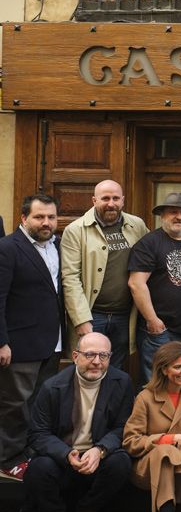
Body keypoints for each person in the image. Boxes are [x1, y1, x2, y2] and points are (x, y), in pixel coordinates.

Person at [19, 333, 134, 512]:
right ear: (75, 356)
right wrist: (66, 453)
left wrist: (100, 450)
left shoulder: (122, 382)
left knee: (121, 462)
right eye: (90, 355)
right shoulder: (52, 387)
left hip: (98, 456)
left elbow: (123, 427)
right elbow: (38, 434)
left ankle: (87, 511)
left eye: (103, 355)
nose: (97, 362)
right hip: (62, 457)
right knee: (37, 468)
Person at [0, 194, 65, 482]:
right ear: (24, 218)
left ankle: (31, 454)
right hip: (19, 344)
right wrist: (1, 341)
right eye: (39, 217)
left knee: (40, 403)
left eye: (51, 217)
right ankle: (8, 460)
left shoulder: (59, 245)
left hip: (52, 342)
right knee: (15, 405)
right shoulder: (7, 248)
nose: (46, 222)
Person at [61, 179, 149, 370]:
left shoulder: (137, 225)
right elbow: (70, 278)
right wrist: (81, 319)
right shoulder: (75, 230)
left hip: (125, 316)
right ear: (94, 200)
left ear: (123, 200)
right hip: (93, 315)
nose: (111, 203)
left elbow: (154, 251)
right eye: (105, 198)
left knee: (116, 371)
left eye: (116, 198)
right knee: (88, 369)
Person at [122, 341, 181, 512]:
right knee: (165, 453)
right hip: (150, 466)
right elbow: (130, 441)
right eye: (178, 367)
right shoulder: (145, 398)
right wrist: (166, 440)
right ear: (163, 370)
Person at [128, 192, 181, 384]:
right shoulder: (149, 243)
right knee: (157, 382)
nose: (179, 217)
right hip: (160, 330)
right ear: (162, 216)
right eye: (173, 212)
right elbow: (136, 284)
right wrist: (153, 320)